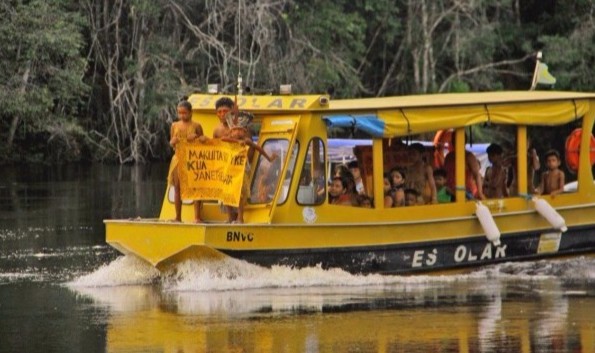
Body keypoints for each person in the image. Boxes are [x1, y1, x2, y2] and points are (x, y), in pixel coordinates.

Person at [219, 111, 277, 223]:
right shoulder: (229, 140)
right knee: (227, 194)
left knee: (240, 194)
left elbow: (258, 148)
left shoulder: (246, 141)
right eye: (235, 130)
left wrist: (269, 158)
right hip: (228, 172)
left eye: (241, 130)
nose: (238, 132)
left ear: (245, 132)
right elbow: (223, 140)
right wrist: (236, 141)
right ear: (231, 132)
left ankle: (240, 217)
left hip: (241, 171)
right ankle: (230, 217)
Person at [168, 100, 204, 222]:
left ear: (190, 113)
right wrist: (174, 141)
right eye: (180, 113)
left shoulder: (196, 126)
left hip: (192, 158)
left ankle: (197, 216)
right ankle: (178, 216)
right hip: (178, 158)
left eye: (185, 113)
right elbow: (172, 142)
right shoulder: (174, 125)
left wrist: (196, 138)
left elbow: (202, 143)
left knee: (195, 188)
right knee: (177, 188)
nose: (182, 116)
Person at [444, 134, 485, 200]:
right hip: (448, 192)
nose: (455, 142)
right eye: (453, 140)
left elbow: (477, 175)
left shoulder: (469, 156)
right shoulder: (448, 156)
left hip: (466, 193)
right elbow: (444, 174)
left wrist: (480, 193)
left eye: (456, 140)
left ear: (464, 141)